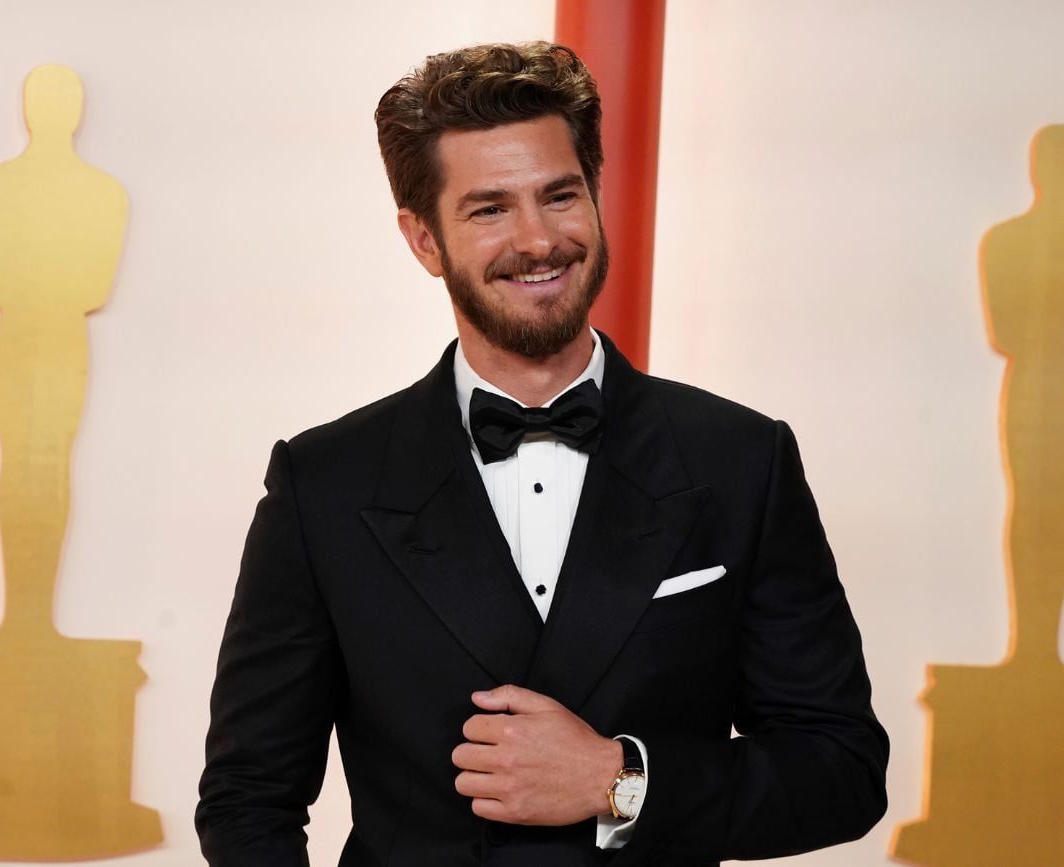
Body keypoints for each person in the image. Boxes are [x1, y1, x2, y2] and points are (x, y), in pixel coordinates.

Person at [196, 42, 888, 866]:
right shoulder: (324, 484)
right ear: (424, 240)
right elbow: (248, 798)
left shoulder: (742, 459)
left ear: (596, 195)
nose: (537, 240)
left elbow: (841, 769)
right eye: (489, 209)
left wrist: (619, 778)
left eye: (559, 195)